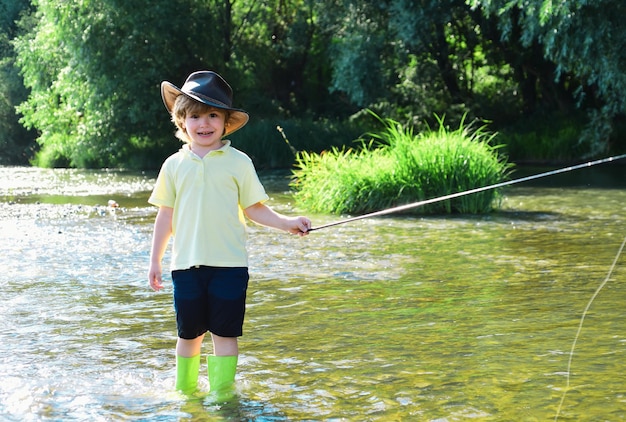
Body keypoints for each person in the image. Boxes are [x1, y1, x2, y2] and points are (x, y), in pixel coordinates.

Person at [147, 71, 311, 398]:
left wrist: (288, 222)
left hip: (230, 267)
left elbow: (254, 208)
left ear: (225, 123)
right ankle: (186, 394)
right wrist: (155, 260)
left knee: (224, 335)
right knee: (188, 336)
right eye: (195, 116)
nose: (204, 123)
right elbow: (165, 216)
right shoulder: (173, 165)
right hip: (186, 267)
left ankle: (223, 396)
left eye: (212, 115)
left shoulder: (239, 162)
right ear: (182, 122)